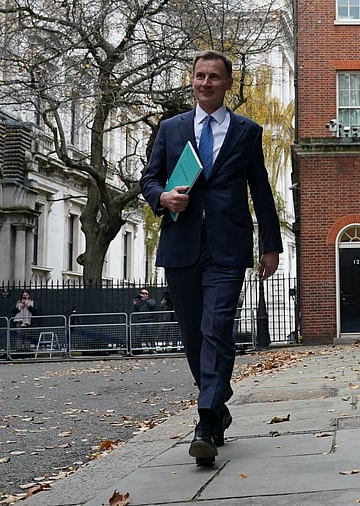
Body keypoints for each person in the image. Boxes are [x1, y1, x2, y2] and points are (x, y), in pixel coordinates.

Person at [140, 50, 282, 465]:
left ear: (227, 84)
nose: (205, 83)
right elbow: (150, 178)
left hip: (227, 248)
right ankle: (218, 404)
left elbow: (261, 190)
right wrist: (162, 196)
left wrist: (269, 245)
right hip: (182, 245)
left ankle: (204, 420)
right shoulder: (171, 128)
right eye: (200, 76)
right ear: (193, 81)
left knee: (217, 326)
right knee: (193, 336)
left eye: (214, 77)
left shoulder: (246, 132)